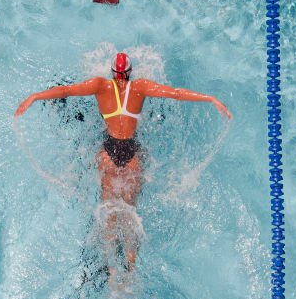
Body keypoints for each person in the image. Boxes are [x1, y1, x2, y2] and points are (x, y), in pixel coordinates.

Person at [14, 53, 231, 283]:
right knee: (129, 213)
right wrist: (210, 99)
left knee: (108, 210)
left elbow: (66, 91)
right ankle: (130, 270)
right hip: (132, 156)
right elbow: (176, 93)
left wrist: (36, 96)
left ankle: (111, 271)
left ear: (112, 72)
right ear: (129, 72)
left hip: (108, 154)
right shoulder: (140, 87)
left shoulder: (99, 85)